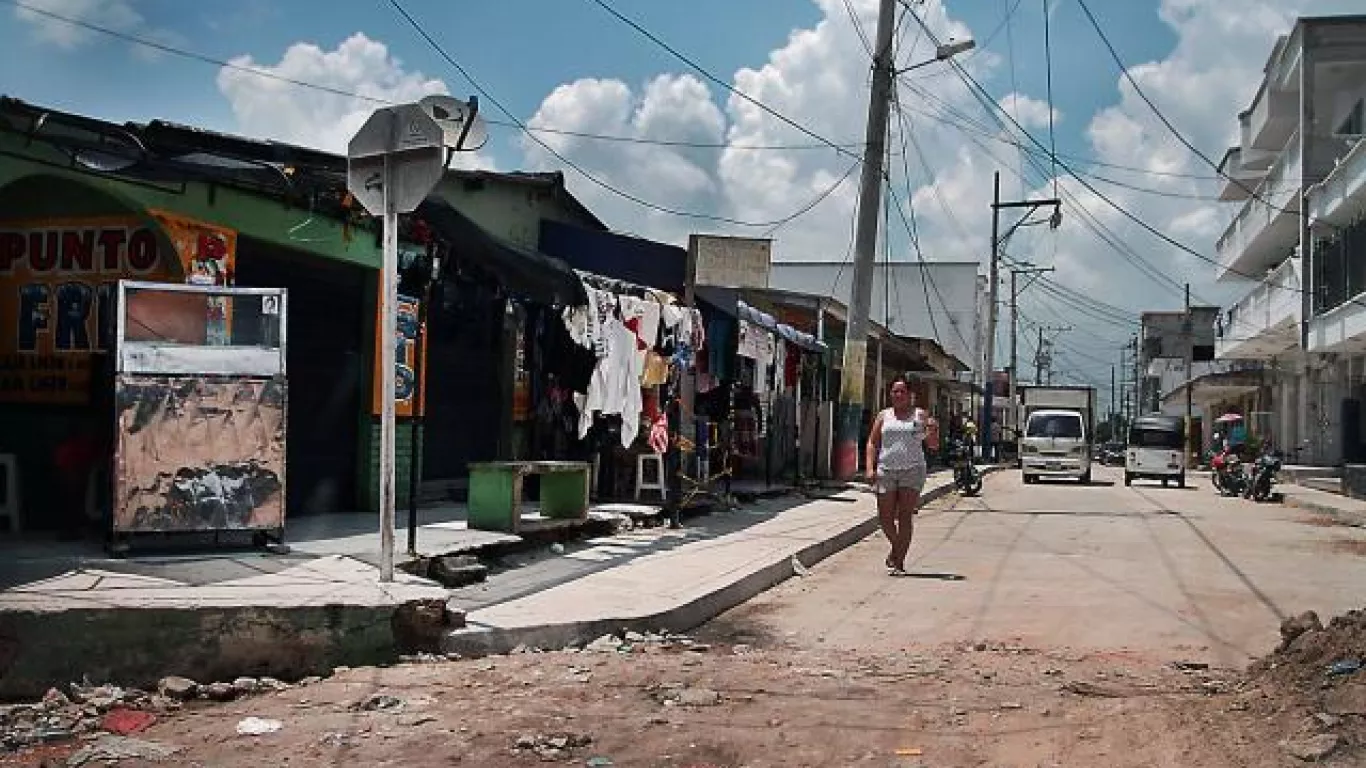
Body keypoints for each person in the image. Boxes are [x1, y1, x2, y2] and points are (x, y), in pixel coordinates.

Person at [864, 376, 928, 577]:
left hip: (912, 470)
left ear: (910, 395)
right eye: (895, 391)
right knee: (885, 517)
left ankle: (899, 559)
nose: (898, 395)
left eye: (902, 391)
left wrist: (931, 430)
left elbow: (932, 443)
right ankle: (897, 549)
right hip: (886, 470)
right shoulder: (884, 416)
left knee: (904, 516)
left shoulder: (919, 415)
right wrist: (869, 468)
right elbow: (872, 443)